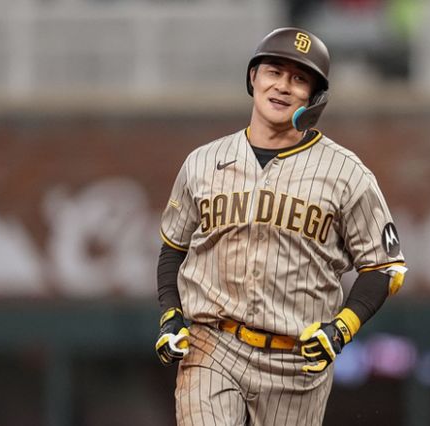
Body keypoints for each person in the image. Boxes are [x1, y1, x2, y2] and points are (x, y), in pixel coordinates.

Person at [155, 27, 407, 426]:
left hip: (296, 362)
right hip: (213, 345)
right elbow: (173, 247)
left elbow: (385, 267)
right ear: (253, 76)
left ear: (314, 98)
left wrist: (341, 329)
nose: (283, 86)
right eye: (274, 71)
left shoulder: (347, 173)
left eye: (299, 79)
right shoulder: (202, 162)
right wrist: (171, 315)